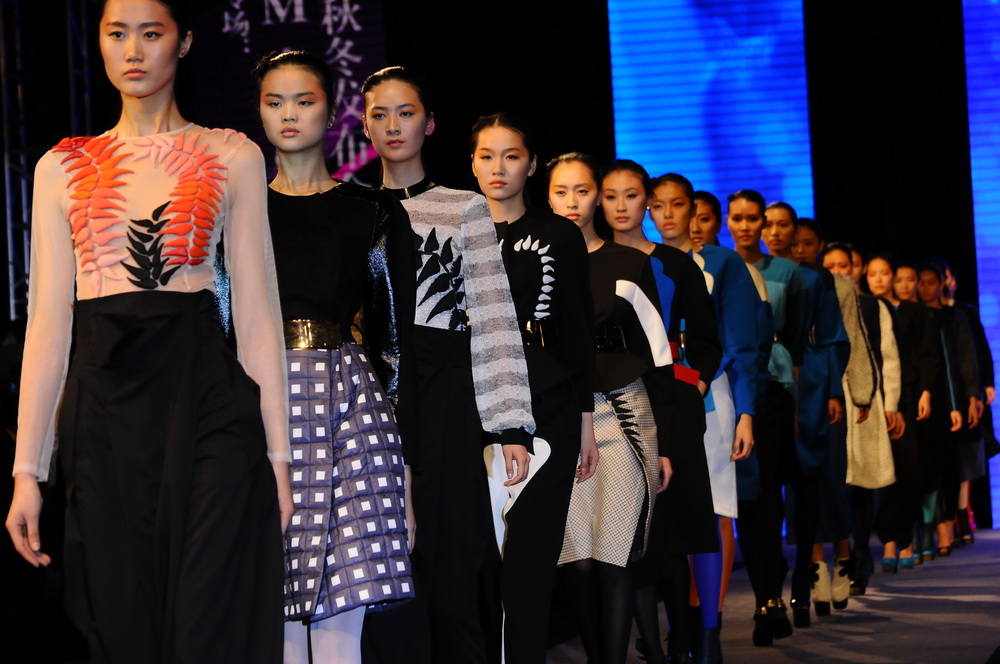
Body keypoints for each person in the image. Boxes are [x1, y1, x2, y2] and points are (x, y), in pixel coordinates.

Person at [6, 1, 292, 661]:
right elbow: (47, 324)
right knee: (125, 628)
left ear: (184, 42)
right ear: (100, 42)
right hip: (105, 408)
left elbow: (257, 314)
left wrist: (279, 459)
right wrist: (28, 470)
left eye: (151, 33)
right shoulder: (61, 166)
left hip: (207, 399)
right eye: (116, 33)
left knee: (207, 622)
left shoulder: (232, 154)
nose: (133, 50)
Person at [360, 66, 535, 663]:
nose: (393, 125)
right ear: (364, 126)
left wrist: (510, 424)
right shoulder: (350, 208)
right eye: (379, 114)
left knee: (454, 563)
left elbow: (493, 316)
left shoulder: (464, 208)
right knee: (383, 560)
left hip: (446, 392)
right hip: (369, 394)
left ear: (429, 124)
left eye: (406, 112)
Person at [253, 51, 415, 664]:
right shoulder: (239, 210)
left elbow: (390, 340)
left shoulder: (372, 210)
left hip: (352, 403)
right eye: (275, 102)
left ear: (333, 110)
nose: (289, 114)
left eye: (305, 100)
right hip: (266, 405)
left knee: (348, 591)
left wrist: (405, 465)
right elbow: (223, 323)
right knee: (278, 597)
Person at [469, 112, 598, 663]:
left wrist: (586, 423)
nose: (498, 167)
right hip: (472, 404)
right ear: (472, 163)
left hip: (551, 404)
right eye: (486, 155)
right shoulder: (456, 232)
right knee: (477, 559)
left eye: (512, 155)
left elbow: (578, 331)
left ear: (532, 164)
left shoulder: (558, 235)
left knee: (530, 557)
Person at [549, 153, 672, 664]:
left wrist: (668, 445)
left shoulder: (628, 263)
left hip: (623, 413)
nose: (571, 202)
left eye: (582, 191)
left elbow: (658, 355)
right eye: (560, 191)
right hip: (559, 418)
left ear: (597, 197)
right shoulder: (537, 263)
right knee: (576, 560)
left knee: (613, 556)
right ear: (546, 196)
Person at [603, 163, 721, 664]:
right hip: (613, 407)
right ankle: (653, 644)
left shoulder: (675, 264)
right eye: (611, 195)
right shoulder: (585, 260)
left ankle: (688, 637)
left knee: (677, 527)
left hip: (674, 404)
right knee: (633, 532)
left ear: (647, 202)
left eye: (632, 195)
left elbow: (709, 340)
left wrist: (693, 384)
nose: (621, 206)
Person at [649, 171, 755, 663]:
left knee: (713, 512)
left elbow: (739, 343)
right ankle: (680, 630)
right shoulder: (636, 260)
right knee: (666, 515)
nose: (668, 214)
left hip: (710, 399)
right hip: (653, 401)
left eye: (677, 204)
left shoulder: (722, 264)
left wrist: (747, 413)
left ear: (694, 210)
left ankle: (708, 632)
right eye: (658, 205)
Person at [763, 202, 848, 627]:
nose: (776, 233)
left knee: (807, 475)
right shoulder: (747, 270)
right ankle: (784, 572)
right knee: (767, 484)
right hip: (759, 378)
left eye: (784, 226)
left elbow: (832, 336)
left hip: (808, 381)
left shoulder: (816, 277)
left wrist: (832, 390)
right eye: (770, 225)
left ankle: (810, 570)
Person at [727, 189, 806, 646]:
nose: (745, 226)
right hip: (718, 388)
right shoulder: (710, 265)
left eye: (752, 218)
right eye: (736, 218)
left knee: (765, 490)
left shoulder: (782, 273)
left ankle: (770, 590)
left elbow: (793, 336)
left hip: (769, 387)